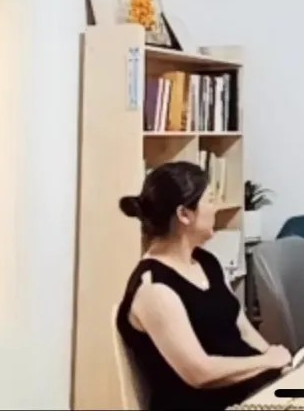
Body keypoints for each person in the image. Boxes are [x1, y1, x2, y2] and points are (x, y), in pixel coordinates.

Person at [116, 161, 291, 410]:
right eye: (209, 200)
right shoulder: (154, 289)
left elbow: (243, 329)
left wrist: (280, 365)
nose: (215, 208)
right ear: (184, 214)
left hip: (250, 394)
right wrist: (267, 362)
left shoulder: (207, 262)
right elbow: (199, 372)